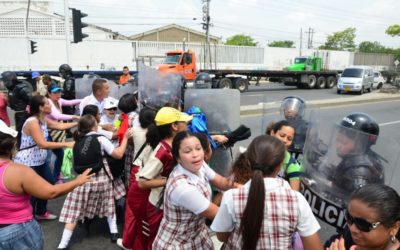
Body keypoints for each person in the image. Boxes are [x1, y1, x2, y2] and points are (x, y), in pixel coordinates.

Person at [211, 135, 322, 250]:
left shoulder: (232, 197)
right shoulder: (297, 200)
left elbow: (222, 236)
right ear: (279, 167)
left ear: (248, 162)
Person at [0, 120, 93, 250]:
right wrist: (78, 181)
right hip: (17, 230)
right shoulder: (18, 171)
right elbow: (51, 192)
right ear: (10, 143)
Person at [152, 131, 240, 249]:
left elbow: (221, 182)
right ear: (178, 157)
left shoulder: (199, 164)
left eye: (198, 148)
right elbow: (218, 214)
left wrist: (247, 188)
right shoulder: (181, 187)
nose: (195, 154)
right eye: (188, 151)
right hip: (177, 243)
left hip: (198, 235)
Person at [57, 114, 132, 249]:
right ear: (94, 126)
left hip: (83, 179)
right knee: (109, 204)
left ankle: (62, 244)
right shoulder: (101, 139)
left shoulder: (77, 141)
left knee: (74, 211)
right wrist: (126, 138)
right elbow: (118, 154)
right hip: (103, 178)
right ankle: (114, 232)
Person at [134, 107, 192, 249]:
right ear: (174, 126)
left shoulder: (176, 146)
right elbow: (142, 182)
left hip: (169, 204)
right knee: (157, 242)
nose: (188, 124)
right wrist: (170, 181)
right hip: (158, 207)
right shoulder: (162, 152)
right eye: (184, 121)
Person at [14, 95, 76, 220]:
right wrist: (66, 144)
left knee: (49, 183)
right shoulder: (32, 122)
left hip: (40, 161)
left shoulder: (42, 119)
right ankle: (30, 218)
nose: (50, 105)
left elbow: (60, 126)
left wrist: (79, 121)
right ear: (41, 108)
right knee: (32, 191)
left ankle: (40, 212)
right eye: (47, 104)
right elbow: (42, 144)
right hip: (29, 163)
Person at [117, 107, 156, 250]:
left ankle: (128, 241)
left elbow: (122, 136)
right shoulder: (157, 133)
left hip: (137, 169)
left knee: (132, 208)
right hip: (153, 171)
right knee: (148, 207)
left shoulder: (135, 130)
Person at [327, 184, 400, 250]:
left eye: (363, 224)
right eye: (349, 217)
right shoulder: (347, 238)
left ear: (394, 228)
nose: (352, 229)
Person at [330, 112, 384, 194]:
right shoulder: (359, 159)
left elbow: (356, 203)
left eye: (344, 142)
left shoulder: (358, 174)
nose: (338, 145)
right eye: (338, 140)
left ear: (360, 145)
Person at [46, 83, 81, 183]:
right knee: (47, 159)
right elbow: (58, 116)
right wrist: (74, 117)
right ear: (49, 94)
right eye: (55, 92)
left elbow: (71, 102)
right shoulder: (48, 103)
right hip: (47, 134)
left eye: (59, 91)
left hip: (55, 132)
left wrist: (86, 99)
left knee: (59, 155)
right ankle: (49, 179)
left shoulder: (59, 101)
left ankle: (56, 177)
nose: (58, 94)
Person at [266, 120, 303, 191]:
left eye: (289, 139)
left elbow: (295, 194)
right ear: (272, 133)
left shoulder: (292, 165)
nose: (285, 140)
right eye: (282, 135)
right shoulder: (260, 151)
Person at [117, 93, 139, 187]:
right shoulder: (135, 117)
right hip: (134, 149)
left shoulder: (122, 117)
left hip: (126, 148)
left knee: (128, 172)